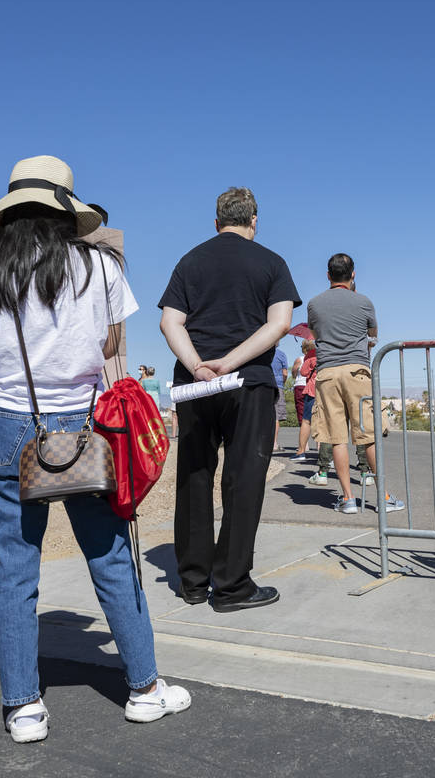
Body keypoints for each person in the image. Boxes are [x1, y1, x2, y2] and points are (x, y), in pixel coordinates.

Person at [0, 155, 189, 742]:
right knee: (110, 556)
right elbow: (109, 343)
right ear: (66, 209)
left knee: (14, 570)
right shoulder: (100, 266)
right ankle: (143, 689)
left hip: (12, 424)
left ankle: (23, 707)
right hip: (84, 422)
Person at [159, 187, 300, 611]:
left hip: (194, 383)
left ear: (216, 222)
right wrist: (230, 362)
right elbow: (279, 324)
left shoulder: (190, 261)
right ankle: (232, 585)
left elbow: (171, 323)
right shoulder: (272, 263)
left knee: (194, 476)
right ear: (254, 220)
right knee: (243, 480)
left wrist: (200, 364)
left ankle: (193, 581)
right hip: (249, 382)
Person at [307, 254, 403, 514]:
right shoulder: (364, 302)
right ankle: (383, 498)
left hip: (327, 373)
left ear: (328, 275)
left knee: (337, 439)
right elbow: (373, 333)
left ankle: (348, 499)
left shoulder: (314, 304)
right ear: (353, 274)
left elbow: (316, 334)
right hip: (356, 371)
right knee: (368, 437)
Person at [292, 340, 317, 462]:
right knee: (326, 422)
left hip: (312, 390)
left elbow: (303, 372)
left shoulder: (311, 354)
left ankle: (301, 451)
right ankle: (327, 457)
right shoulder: (328, 352)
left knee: (306, 421)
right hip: (327, 390)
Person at [272, 346, 289, 450]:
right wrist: (282, 383)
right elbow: (285, 373)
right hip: (277, 385)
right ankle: (274, 444)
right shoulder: (281, 354)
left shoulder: (261, 352)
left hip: (263, 385)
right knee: (276, 416)